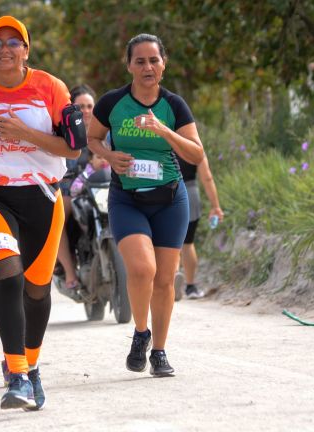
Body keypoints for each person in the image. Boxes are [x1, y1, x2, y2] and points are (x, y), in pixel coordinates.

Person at [0, 16, 81, 410]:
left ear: (26, 50)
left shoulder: (50, 88)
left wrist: (24, 133)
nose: (5, 49)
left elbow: (73, 148)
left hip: (42, 196)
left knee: (37, 289)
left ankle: (31, 367)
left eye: (14, 42)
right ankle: (17, 376)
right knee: (6, 273)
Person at [87, 33, 204, 377]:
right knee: (142, 269)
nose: (147, 67)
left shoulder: (174, 105)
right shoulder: (112, 103)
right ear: (129, 66)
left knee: (166, 280)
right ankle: (141, 333)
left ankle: (160, 352)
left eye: (154, 60)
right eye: (140, 61)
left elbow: (196, 153)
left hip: (170, 199)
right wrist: (109, 155)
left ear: (163, 65)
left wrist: (163, 130)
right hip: (127, 199)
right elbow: (92, 138)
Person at [56, 84, 97, 290]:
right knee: (57, 218)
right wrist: (90, 169)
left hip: (102, 190)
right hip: (70, 192)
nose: (86, 111)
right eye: (81, 107)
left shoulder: (106, 134)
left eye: (90, 106)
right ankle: (70, 273)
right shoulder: (65, 135)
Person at [178, 155, 224, 298]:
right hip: (190, 194)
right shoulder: (194, 147)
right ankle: (190, 287)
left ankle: (169, 279)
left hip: (165, 192)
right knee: (187, 243)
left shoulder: (162, 140)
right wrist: (216, 206)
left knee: (167, 242)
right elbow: (207, 178)